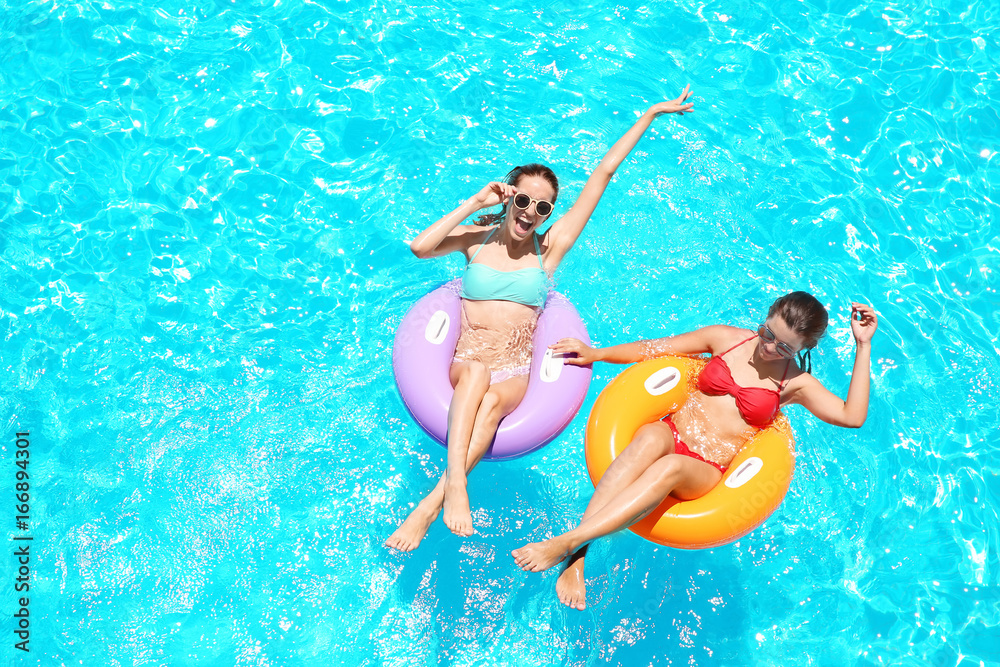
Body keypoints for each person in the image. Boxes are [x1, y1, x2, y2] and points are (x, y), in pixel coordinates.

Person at [385, 87, 696, 552]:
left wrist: (651, 113)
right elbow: (420, 246)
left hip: (514, 372)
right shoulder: (476, 238)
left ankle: (432, 502)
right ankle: (452, 487)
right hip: (466, 361)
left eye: (543, 207)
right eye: (524, 201)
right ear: (508, 197)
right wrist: (475, 201)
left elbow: (604, 175)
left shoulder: (548, 251)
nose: (531, 212)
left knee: (490, 400)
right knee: (474, 373)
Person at [511, 292, 879, 609]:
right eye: (767, 333)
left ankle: (567, 542)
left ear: (804, 349)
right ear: (765, 319)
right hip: (675, 432)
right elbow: (655, 348)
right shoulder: (725, 338)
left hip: (704, 467)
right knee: (652, 436)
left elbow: (852, 416)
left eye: (783, 347)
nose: (768, 347)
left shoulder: (796, 383)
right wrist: (597, 353)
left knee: (671, 464)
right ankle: (576, 559)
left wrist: (863, 345)